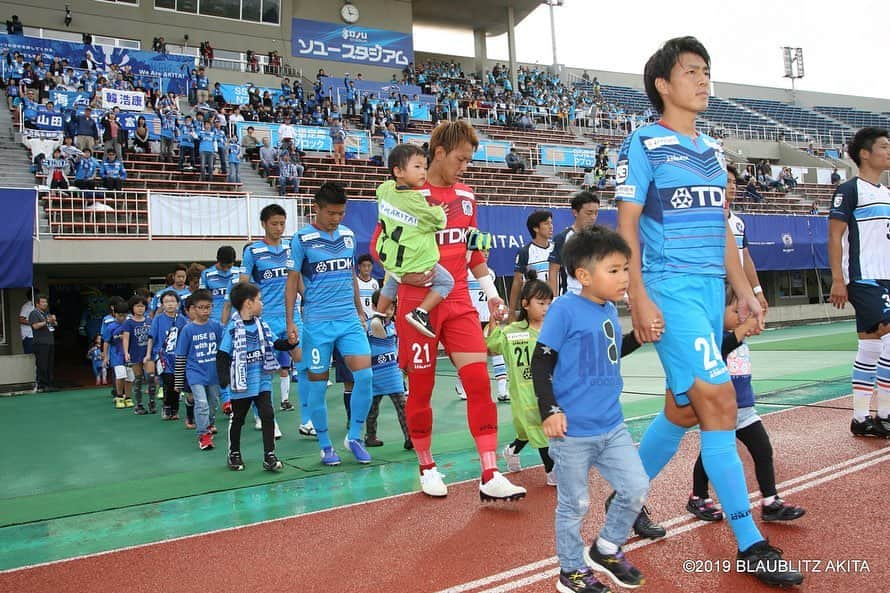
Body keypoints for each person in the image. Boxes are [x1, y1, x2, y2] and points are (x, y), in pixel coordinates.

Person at [615, 36, 802, 586]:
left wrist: (743, 290)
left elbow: (722, 229)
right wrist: (639, 296)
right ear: (662, 85)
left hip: (707, 291)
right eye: (691, 72)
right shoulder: (645, 143)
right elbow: (627, 227)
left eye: (707, 71)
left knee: (685, 411)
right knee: (719, 402)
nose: (703, 80)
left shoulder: (713, 151)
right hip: (670, 290)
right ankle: (750, 542)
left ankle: (623, 504)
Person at [371, 120, 526, 500]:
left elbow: (475, 254)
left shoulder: (467, 198)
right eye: (461, 159)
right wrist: (406, 274)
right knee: (421, 389)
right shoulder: (405, 196)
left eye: (469, 160)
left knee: (479, 384)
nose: (465, 166)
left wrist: (490, 293)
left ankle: (489, 474)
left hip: (458, 301)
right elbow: (379, 247)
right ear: (438, 153)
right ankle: (426, 466)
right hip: (417, 304)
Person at [530, 227, 649, 592]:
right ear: (583, 275)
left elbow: (608, 354)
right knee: (574, 505)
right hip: (573, 433)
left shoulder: (610, 309)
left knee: (636, 487)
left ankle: (607, 548)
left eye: (625, 269)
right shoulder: (565, 308)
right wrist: (550, 410)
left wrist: (636, 339)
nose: (624, 277)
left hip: (612, 426)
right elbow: (542, 361)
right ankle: (571, 570)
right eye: (613, 270)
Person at [688, 292, 806, 523]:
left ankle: (770, 501)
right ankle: (698, 496)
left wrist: (750, 321)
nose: (741, 318)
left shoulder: (738, 336)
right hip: (720, 412)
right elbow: (722, 349)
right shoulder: (712, 338)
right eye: (735, 313)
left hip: (745, 410)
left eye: (742, 313)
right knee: (710, 456)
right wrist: (742, 330)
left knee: (763, 450)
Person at [285, 182, 374, 466]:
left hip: (348, 319)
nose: (337, 218)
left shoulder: (348, 236)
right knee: (318, 386)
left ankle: (354, 437)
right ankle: (325, 446)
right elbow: (291, 283)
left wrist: (360, 311)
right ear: (317, 209)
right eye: (332, 213)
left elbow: (350, 275)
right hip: (316, 325)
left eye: (341, 213)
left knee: (366, 377)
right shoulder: (301, 239)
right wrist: (291, 322)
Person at [828, 127, 890, 437]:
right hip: (863, 278)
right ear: (865, 154)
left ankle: (861, 417)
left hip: (886, 278)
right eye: (883, 146)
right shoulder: (850, 190)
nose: (888, 151)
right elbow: (834, 236)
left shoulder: (886, 194)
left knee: (870, 348)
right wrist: (838, 280)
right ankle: (887, 414)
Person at [369, 143, 462, 339]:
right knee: (446, 282)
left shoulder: (385, 189)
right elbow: (436, 221)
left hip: (391, 256)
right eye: (417, 167)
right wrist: (438, 211)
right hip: (414, 260)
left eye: (425, 168)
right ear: (398, 171)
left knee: (393, 279)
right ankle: (421, 312)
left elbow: (384, 194)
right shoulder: (415, 200)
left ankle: (378, 315)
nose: (423, 172)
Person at [217, 283, 297, 471]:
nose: (262, 304)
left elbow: (275, 343)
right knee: (238, 419)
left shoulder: (262, 325)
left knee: (268, 415)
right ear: (248, 303)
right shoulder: (233, 329)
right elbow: (222, 355)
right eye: (259, 300)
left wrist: (291, 343)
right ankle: (234, 453)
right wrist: (223, 379)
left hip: (261, 379)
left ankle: (269, 455)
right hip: (242, 383)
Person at [487, 271, 555, 485]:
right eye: (540, 303)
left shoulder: (554, 331)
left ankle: (512, 450)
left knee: (529, 432)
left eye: (548, 303)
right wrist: (494, 321)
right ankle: (552, 470)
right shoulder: (513, 331)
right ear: (525, 304)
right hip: (524, 392)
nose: (545, 308)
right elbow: (491, 345)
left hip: (550, 389)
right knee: (538, 427)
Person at [240, 205, 301, 429]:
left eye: (282, 223)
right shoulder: (253, 252)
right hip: (264, 320)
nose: (278, 228)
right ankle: (265, 416)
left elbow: (299, 280)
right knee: (264, 370)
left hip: (292, 317)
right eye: (274, 223)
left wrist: (309, 301)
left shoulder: (291, 248)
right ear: (264, 224)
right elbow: (243, 284)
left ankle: (308, 420)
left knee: (303, 365)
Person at [175, 290, 224, 451]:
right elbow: (181, 356)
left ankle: (209, 423)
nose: (205, 311)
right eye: (201, 307)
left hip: (213, 373)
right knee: (201, 403)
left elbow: (224, 349)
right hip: (194, 372)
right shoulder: (187, 330)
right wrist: (179, 381)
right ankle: (203, 435)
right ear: (193, 309)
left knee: (213, 403)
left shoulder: (216, 326)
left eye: (208, 307)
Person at [364, 290, 412, 449]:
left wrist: (403, 367)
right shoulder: (369, 325)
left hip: (392, 373)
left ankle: (410, 438)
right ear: (374, 306)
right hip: (374, 372)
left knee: (402, 406)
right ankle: (370, 437)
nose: (389, 311)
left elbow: (399, 347)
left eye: (392, 307)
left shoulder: (395, 326)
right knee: (372, 410)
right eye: (385, 307)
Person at [549, 192, 600, 297]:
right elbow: (553, 271)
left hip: (596, 297)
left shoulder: (601, 238)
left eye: (596, 213)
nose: (593, 217)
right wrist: (553, 299)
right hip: (572, 296)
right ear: (575, 212)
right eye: (589, 213)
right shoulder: (563, 238)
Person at [147, 290, 187, 421]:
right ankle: (167, 406)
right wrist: (148, 355)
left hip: (179, 357)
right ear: (162, 304)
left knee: (177, 383)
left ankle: (174, 408)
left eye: (172, 301)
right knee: (168, 381)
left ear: (178, 303)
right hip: (162, 355)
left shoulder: (183, 320)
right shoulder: (158, 319)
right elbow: (151, 337)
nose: (170, 304)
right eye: (166, 302)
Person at [508, 210, 553, 322]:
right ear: (535, 228)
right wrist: (512, 311)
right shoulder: (525, 251)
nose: (551, 227)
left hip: (555, 305)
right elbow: (517, 282)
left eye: (551, 223)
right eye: (547, 224)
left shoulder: (556, 249)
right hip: (536, 309)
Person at [122, 295, 153, 414]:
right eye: (137, 306)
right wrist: (126, 353)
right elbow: (126, 338)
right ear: (132, 308)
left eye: (142, 306)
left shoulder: (149, 321)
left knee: (151, 377)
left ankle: (152, 402)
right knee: (138, 379)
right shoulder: (128, 323)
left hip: (148, 353)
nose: (140, 308)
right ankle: (139, 405)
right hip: (135, 352)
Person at [199, 246, 240, 325]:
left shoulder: (239, 273)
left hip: (235, 319)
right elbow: (201, 298)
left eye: (229, 266)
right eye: (223, 266)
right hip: (214, 318)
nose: (226, 269)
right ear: (218, 260)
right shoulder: (207, 274)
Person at [108, 301, 133, 409]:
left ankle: (128, 398)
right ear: (115, 314)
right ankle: (119, 396)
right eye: (119, 315)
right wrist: (105, 356)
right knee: (120, 375)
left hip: (129, 355)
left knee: (130, 377)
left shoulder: (130, 324)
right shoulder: (110, 326)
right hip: (116, 355)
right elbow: (106, 342)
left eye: (124, 315)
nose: (122, 318)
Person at [29, 295, 57, 392]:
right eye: (43, 302)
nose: (45, 304)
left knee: (50, 364)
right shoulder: (34, 313)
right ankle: (42, 385)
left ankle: (49, 384)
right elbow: (35, 326)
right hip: (40, 343)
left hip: (50, 342)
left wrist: (53, 320)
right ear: (37, 304)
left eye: (46, 302)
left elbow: (54, 324)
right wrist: (46, 321)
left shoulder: (46, 313)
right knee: (42, 364)